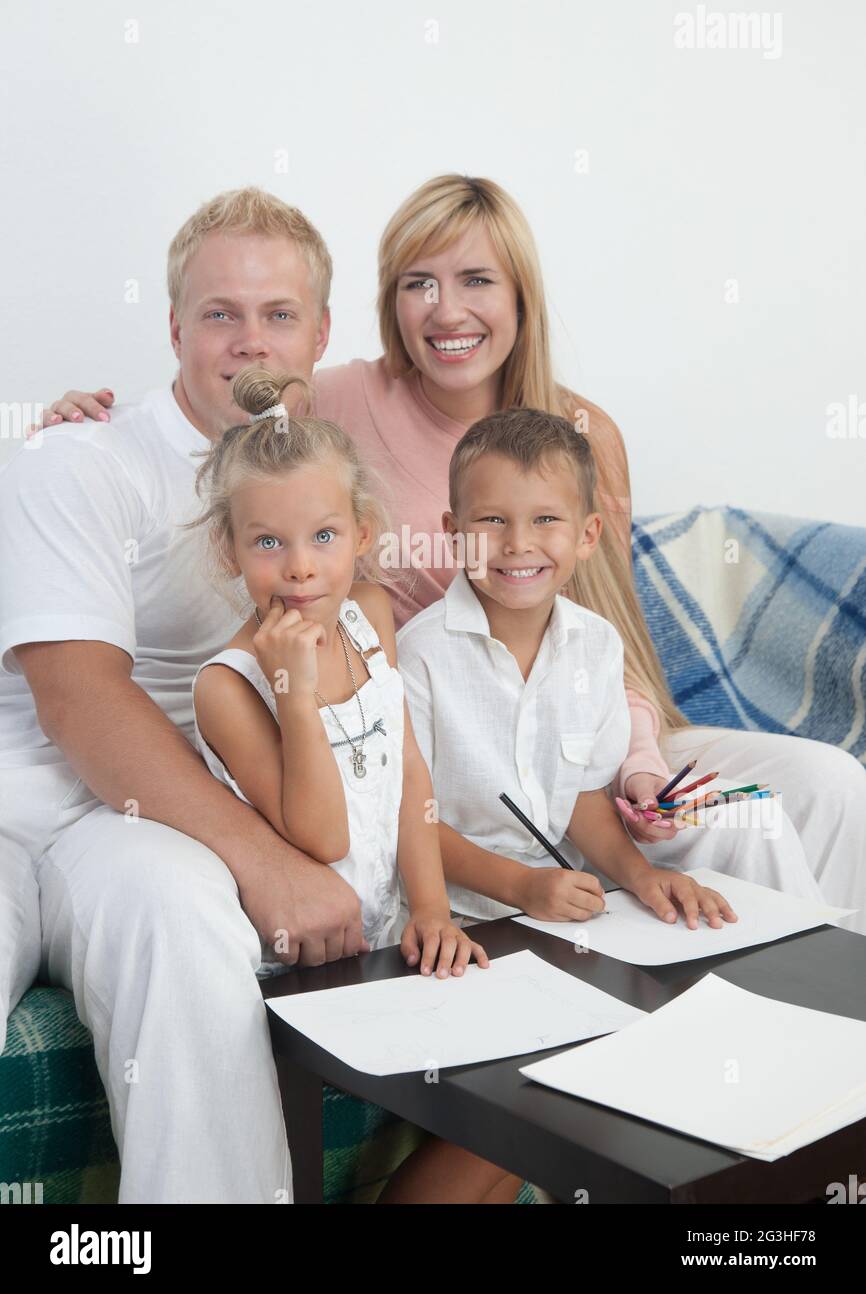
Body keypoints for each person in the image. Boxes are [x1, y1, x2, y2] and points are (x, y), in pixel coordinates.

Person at [48, 176, 866, 917]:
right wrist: (91, 427)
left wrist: (639, 765)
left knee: (830, 785)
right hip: (449, 751)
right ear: (387, 304)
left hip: (597, 737)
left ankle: (831, 1038)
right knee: (716, 835)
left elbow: (613, 644)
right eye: (418, 285)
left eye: (477, 280)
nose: (446, 311)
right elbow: (226, 418)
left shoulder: (583, 433)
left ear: (521, 297)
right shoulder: (329, 401)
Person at [0, 191, 364, 1202]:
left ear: (320, 335)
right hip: (17, 799)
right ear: (173, 327)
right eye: (220, 314)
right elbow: (78, 699)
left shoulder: (307, 490)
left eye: (279, 315)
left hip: (135, 823)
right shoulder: (78, 455)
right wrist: (266, 863)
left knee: (183, 912)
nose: (249, 343)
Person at [185, 360, 522, 1203]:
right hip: (308, 962)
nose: (300, 569)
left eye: (323, 537)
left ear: (363, 533)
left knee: (534, 1101)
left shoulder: (370, 615)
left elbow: (409, 775)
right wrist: (294, 689)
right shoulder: (227, 687)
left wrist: (436, 911)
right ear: (228, 548)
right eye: (268, 542)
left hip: (396, 923)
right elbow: (324, 837)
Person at [397, 406, 824, 916]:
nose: (517, 544)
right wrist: (521, 887)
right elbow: (406, 818)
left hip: (560, 901)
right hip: (456, 913)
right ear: (453, 531)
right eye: (492, 520)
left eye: (546, 519)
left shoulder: (596, 644)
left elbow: (579, 797)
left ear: (588, 535)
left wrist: (644, 878)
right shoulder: (419, 655)